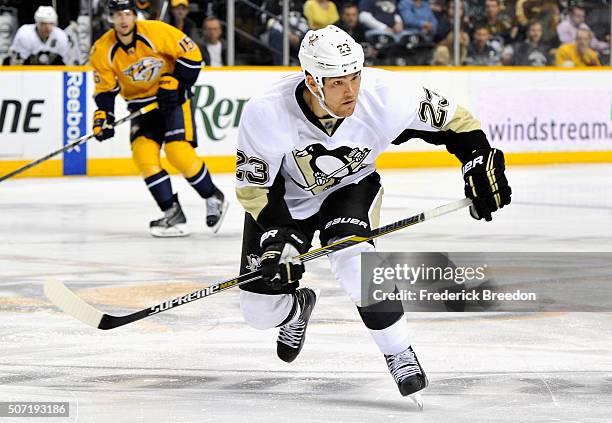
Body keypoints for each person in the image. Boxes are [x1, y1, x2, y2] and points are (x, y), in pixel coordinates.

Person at [235, 25, 511, 399]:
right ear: (311, 80)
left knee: (354, 258)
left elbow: (457, 123)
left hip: (351, 189)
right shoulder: (267, 111)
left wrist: (478, 161)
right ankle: (296, 309)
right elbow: (255, 189)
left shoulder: (387, 94)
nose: (350, 91)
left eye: (354, 76)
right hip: (285, 202)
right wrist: (278, 239)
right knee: (258, 313)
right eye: (337, 82)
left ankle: (399, 352)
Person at [89, 0, 228, 237]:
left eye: (127, 13)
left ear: (134, 15)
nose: (123, 19)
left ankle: (213, 196)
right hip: (140, 108)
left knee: (177, 151)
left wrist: (176, 83)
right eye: (117, 15)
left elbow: (193, 55)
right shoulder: (102, 49)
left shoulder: (156, 31)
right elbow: (105, 91)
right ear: (110, 18)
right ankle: (172, 212)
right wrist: (104, 117)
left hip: (172, 101)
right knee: (144, 156)